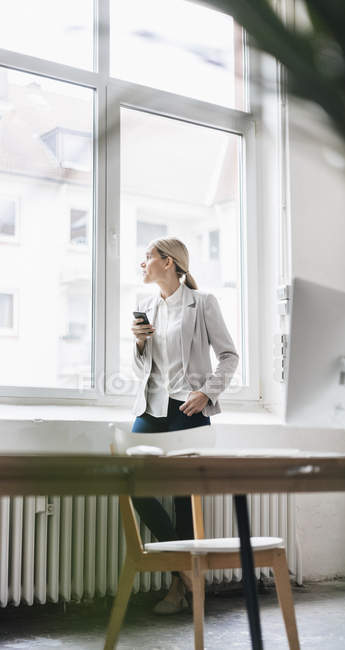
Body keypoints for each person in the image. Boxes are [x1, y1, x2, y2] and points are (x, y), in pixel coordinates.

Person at [130, 236, 239, 614]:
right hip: (151, 408)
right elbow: (143, 368)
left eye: (147, 258)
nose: (141, 264)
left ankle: (178, 590)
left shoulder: (203, 303)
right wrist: (140, 346)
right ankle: (186, 570)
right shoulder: (144, 305)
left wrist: (207, 393)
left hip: (189, 410)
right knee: (133, 483)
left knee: (183, 500)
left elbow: (229, 356)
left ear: (170, 263)